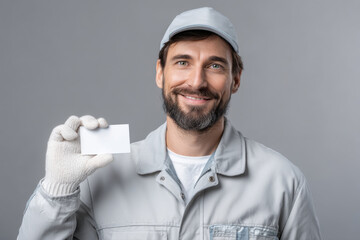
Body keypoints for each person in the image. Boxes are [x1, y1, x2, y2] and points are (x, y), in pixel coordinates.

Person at [18, 7, 322, 240]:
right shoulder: (100, 179)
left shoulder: (283, 183)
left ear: (236, 80)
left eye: (215, 66)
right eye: (182, 62)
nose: (196, 81)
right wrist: (58, 190)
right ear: (160, 73)